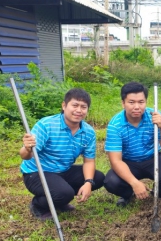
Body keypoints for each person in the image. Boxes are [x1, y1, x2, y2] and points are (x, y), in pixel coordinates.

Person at [20, 88, 105, 221]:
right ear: (64, 106)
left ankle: (58, 199)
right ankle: (38, 205)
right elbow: (25, 156)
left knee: (97, 178)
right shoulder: (46, 125)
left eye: (83, 107)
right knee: (64, 193)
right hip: (37, 172)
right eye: (75, 105)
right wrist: (27, 148)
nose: (79, 110)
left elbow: (89, 161)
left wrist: (88, 182)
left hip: (63, 170)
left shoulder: (88, 132)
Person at [104, 82, 161, 207]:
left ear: (146, 102)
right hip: (128, 162)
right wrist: (134, 183)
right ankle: (129, 194)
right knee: (111, 182)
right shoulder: (115, 124)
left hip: (152, 158)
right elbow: (116, 161)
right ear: (123, 103)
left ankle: (158, 192)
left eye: (141, 102)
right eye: (131, 102)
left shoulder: (155, 117)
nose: (137, 107)